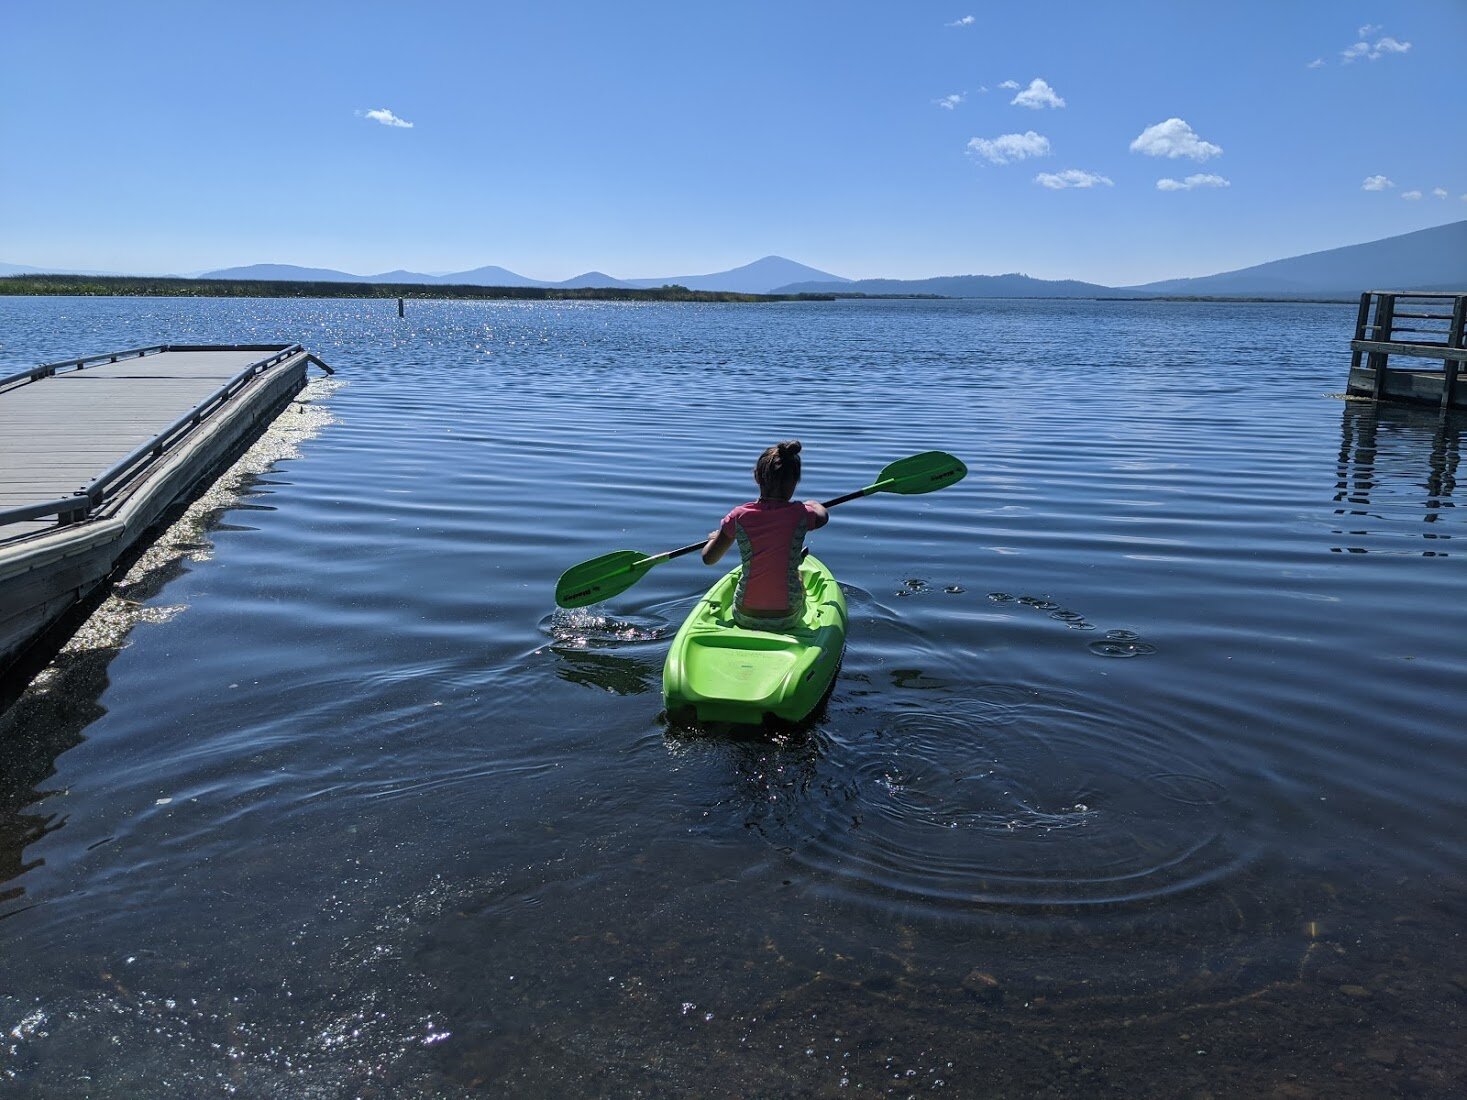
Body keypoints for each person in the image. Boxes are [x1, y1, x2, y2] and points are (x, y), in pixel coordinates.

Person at [701, 440, 829, 631]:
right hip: (787, 618)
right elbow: (823, 517)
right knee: (798, 576)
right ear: (795, 482)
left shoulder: (738, 516)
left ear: (756, 477)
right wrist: (813, 503)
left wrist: (716, 538)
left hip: (744, 615)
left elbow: (709, 559)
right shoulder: (801, 514)